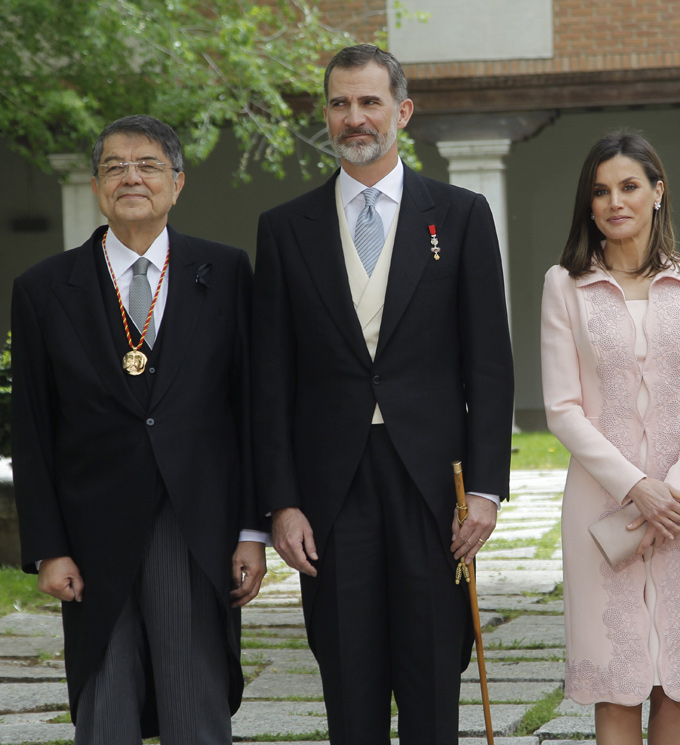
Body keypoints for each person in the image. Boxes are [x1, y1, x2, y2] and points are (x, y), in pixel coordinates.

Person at [251, 44, 514, 744]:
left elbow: (488, 362)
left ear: (402, 111)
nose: (353, 117)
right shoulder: (283, 229)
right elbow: (269, 378)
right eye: (339, 103)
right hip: (328, 490)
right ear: (326, 115)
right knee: (348, 676)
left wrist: (486, 488)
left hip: (433, 485)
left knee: (433, 672)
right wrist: (281, 500)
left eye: (369, 102)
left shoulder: (459, 215)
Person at [11, 115, 267, 744]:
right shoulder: (45, 289)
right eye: (114, 166)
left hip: (195, 524)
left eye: (148, 165)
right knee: (106, 704)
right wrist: (47, 546)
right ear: (98, 187)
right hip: (90, 530)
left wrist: (251, 530)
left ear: (177, 184)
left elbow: (252, 411)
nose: (132, 177)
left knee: (194, 699)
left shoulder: (227, 272)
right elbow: (33, 428)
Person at [541, 131, 680, 745]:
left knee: (677, 682)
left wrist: (673, 491)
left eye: (628, 186)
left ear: (657, 193)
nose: (614, 201)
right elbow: (563, 409)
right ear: (588, 204)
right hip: (603, 508)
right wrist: (635, 487)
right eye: (600, 191)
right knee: (617, 683)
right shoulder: (563, 286)